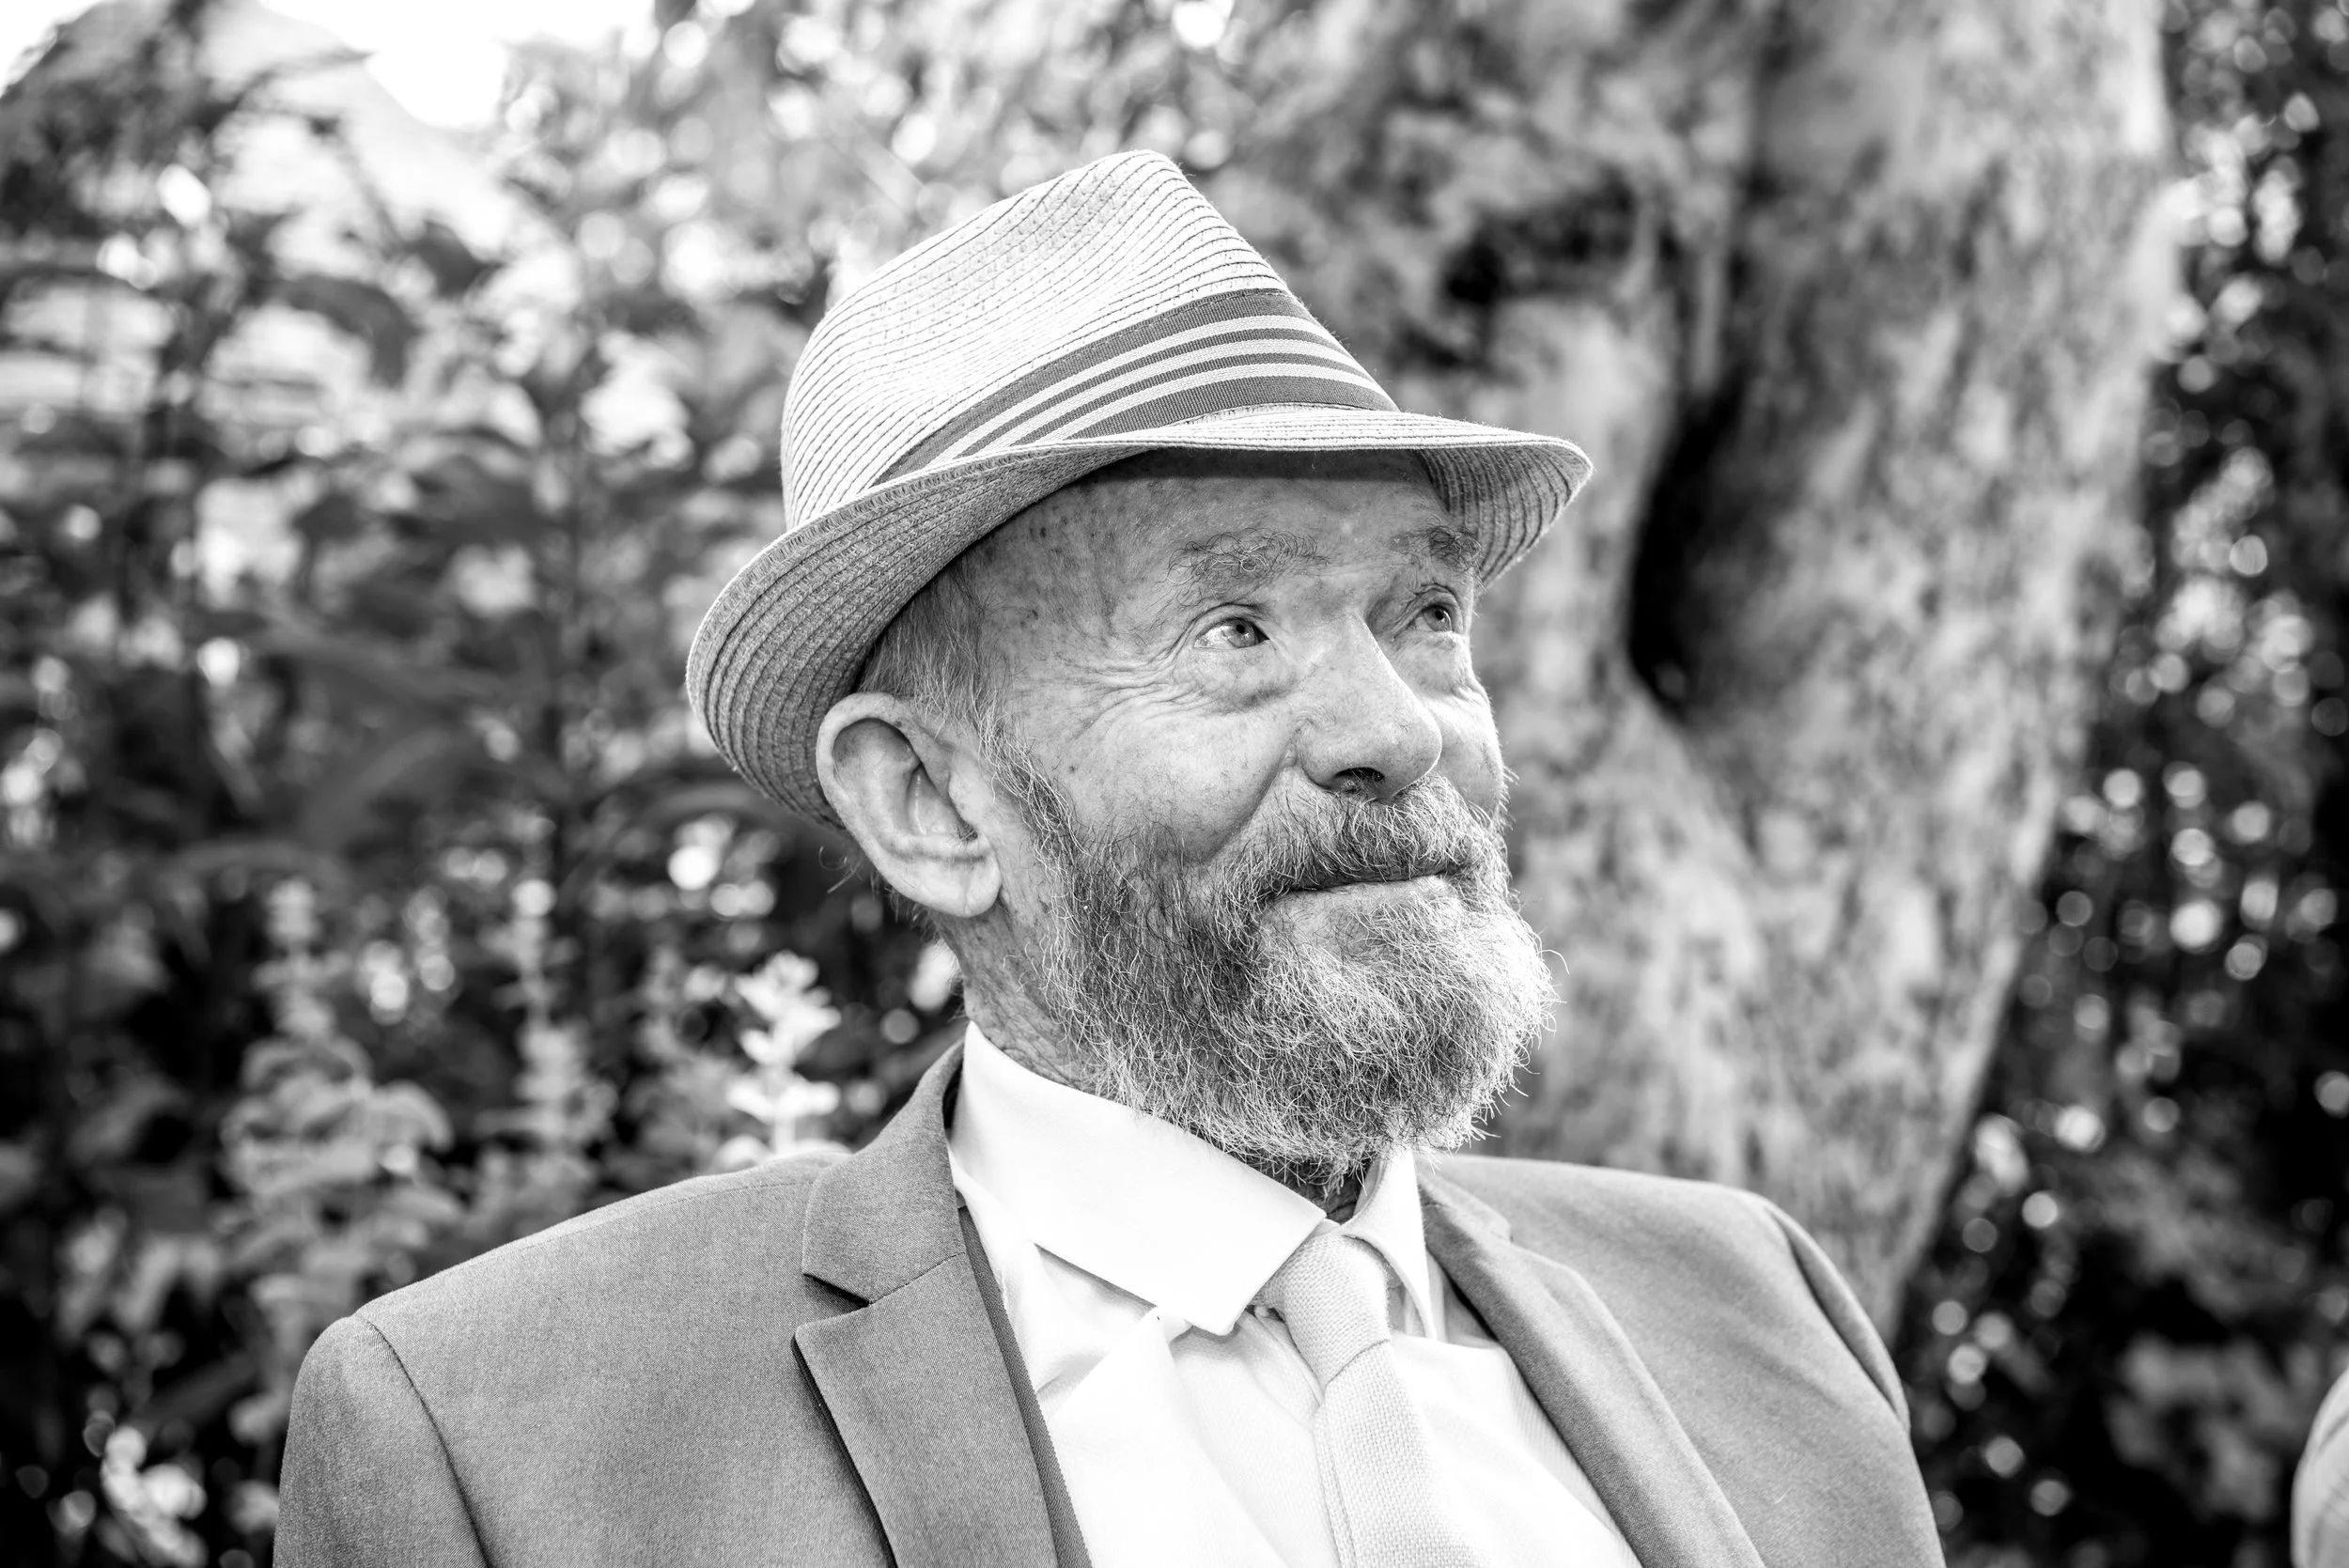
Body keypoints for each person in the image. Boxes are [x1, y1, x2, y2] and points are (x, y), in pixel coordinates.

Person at [276, 149, 1940, 1567]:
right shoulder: (495, 1447)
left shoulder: (1761, 1314)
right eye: (1235, 627)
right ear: (929, 801)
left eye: (1425, 615)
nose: (1401, 731)